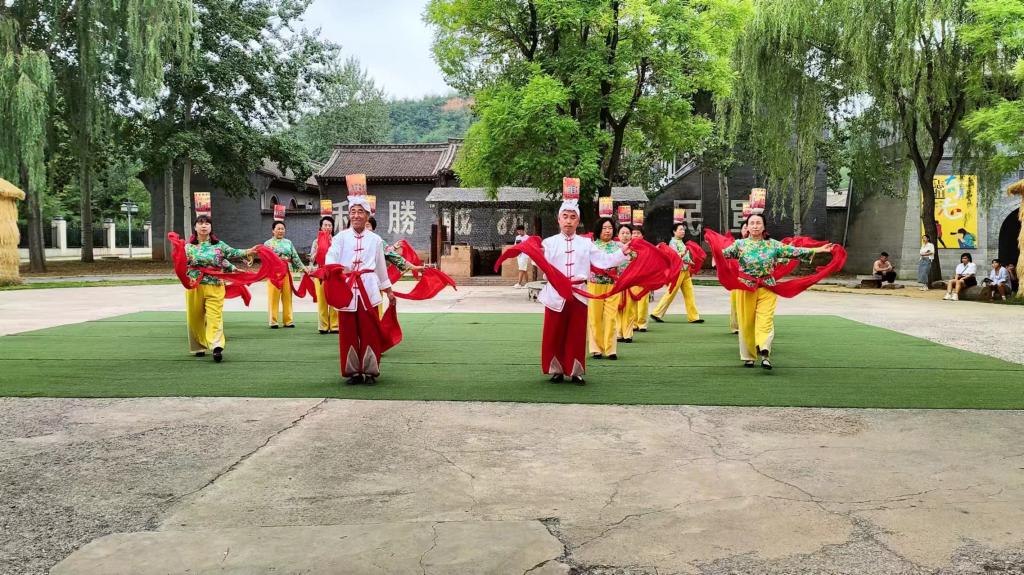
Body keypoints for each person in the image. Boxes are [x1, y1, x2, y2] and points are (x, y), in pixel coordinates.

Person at [722, 213, 834, 369]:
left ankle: (765, 351)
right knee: (746, 322)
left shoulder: (773, 245)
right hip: (746, 287)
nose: (755, 226)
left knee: (765, 320)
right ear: (747, 227)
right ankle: (749, 357)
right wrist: (715, 250)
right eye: (752, 223)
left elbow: (793, 251)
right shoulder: (739, 244)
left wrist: (818, 250)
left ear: (764, 227)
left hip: (768, 286)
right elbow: (722, 255)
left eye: (758, 223)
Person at [537, 203, 629, 384]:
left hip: (578, 293)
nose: (568, 221)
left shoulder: (586, 244)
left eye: (573, 217)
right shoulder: (548, 243)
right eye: (565, 217)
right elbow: (539, 262)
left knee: (576, 333)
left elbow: (603, 260)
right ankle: (556, 370)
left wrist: (622, 252)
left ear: (578, 221)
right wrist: (535, 253)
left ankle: (575, 370)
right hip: (555, 293)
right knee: (554, 332)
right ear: (558, 219)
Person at [325, 197, 396, 385]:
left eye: (360, 212)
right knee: (347, 332)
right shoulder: (340, 238)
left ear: (367, 216)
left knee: (370, 331)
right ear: (349, 215)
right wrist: (336, 269)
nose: (356, 216)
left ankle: (370, 371)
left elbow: (381, 267)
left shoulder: (376, 240)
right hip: (347, 290)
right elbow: (330, 258)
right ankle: (353, 372)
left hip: (369, 290)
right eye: (353, 212)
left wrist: (389, 291)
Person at [183, 215, 258, 362]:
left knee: (215, 316)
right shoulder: (188, 247)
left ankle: (216, 346)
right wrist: (185, 276)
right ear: (195, 227)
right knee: (195, 317)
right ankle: (199, 346)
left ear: (211, 227)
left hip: (215, 285)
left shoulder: (219, 245)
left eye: (207, 223)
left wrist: (248, 252)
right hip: (195, 285)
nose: (204, 226)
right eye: (200, 223)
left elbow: (231, 254)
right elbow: (181, 264)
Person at [651, 222, 704, 325]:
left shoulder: (681, 242)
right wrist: (683, 255)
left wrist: (691, 262)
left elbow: (685, 256)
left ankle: (694, 317)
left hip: (685, 271)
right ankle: (656, 313)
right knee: (671, 292)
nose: (683, 231)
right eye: (680, 229)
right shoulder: (673, 242)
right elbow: (673, 256)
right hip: (678, 271)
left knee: (689, 294)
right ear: (674, 232)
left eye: (683, 229)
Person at [264, 221, 308, 328]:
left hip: (287, 272)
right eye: (278, 229)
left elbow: (295, 257)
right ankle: (273, 321)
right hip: (273, 274)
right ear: (273, 231)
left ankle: (288, 321)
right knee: (273, 297)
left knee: (287, 296)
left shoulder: (288, 242)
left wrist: (303, 268)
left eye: (282, 229)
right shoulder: (267, 244)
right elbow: (265, 259)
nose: (280, 231)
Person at [309, 216, 339, 334]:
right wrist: (318, 250)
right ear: (321, 227)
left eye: (329, 225)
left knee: (334, 299)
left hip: (333, 273)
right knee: (322, 300)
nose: (327, 227)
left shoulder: (336, 240)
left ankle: (335, 325)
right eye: (325, 225)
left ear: (332, 227)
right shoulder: (316, 241)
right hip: (320, 272)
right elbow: (311, 259)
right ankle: (323, 326)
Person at [614, 224, 639, 344]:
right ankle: (619, 333)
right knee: (616, 308)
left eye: (627, 233)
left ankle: (628, 334)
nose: (625, 235)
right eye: (622, 233)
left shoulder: (636, 248)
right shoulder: (613, 248)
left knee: (630, 309)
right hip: (617, 282)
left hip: (631, 282)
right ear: (618, 235)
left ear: (631, 235)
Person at [630, 227, 650, 332]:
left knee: (643, 302)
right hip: (631, 278)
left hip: (644, 278)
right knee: (632, 300)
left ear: (643, 235)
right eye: (633, 233)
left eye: (638, 233)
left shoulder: (647, 248)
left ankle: (642, 323)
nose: (636, 235)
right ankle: (633, 323)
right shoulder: (627, 247)